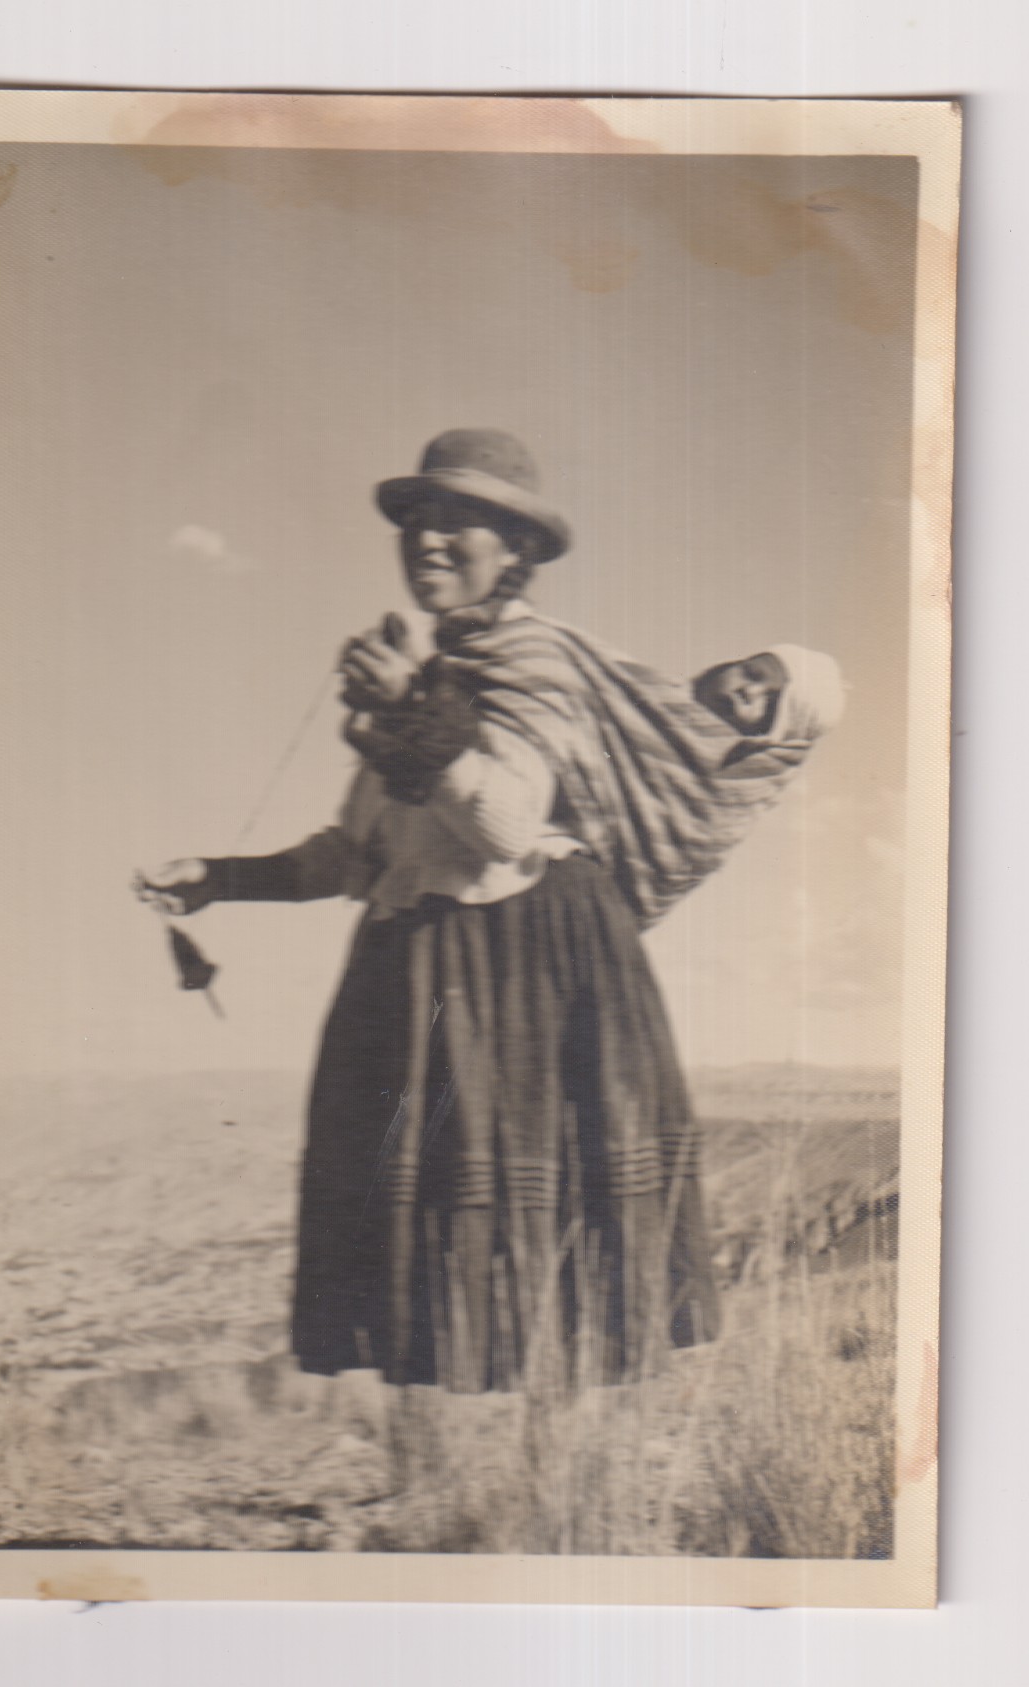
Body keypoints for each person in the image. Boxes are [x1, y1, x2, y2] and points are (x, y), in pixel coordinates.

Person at [135, 429, 844, 1392]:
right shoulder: (440, 672)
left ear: (517, 550)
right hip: (429, 966)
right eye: (418, 520)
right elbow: (357, 853)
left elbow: (506, 825)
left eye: (459, 522)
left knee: (542, 1273)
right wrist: (219, 877)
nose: (428, 540)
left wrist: (409, 714)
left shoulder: (534, 661)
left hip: (521, 970)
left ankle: (557, 1470)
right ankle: (481, 1464)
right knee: (452, 1282)